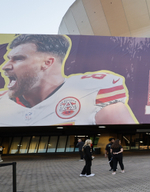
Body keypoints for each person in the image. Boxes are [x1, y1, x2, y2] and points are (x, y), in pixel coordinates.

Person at [0, 34, 138, 126]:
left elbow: (125, 134)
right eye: (8, 59)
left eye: (18, 58)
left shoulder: (93, 90)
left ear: (47, 63)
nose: (5, 66)